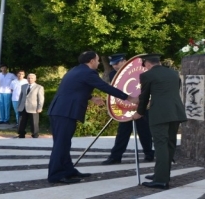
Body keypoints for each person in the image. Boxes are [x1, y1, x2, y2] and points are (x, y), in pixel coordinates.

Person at [47, 51, 139, 184]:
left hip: (59, 110)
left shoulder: (76, 70)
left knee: (63, 143)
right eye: (97, 60)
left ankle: (68, 171)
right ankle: (55, 175)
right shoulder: (88, 73)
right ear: (91, 61)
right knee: (61, 144)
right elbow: (105, 87)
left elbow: (73, 88)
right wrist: (129, 98)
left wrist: (91, 97)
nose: (99, 62)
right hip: (65, 112)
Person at [131, 54, 187, 190]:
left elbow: (144, 97)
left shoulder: (147, 76)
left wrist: (139, 112)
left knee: (161, 144)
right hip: (176, 112)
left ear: (148, 64)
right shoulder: (174, 73)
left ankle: (161, 180)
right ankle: (161, 174)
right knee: (170, 144)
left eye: (145, 66)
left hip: (160, 114)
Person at [101, 53, 154, 165]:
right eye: (113, 64)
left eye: (117, 63)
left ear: (124, 61)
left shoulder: (140, 70)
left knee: (144, 132)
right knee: (122, 133)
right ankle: (115, 157)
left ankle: (149, 154)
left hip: (141, 106)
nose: (115, 66)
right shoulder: (113, 75)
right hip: (125, 107)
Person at [17, 73, 44, 138]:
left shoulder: (39, 87)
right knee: (21, 121)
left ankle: (35, 134)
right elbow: (21, 96)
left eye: (32, 78)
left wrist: (40, 107)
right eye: (28, 78)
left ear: (35, 79)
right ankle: (21, 134)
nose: (30, 79)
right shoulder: (23, 86)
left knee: (34, 122)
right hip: (23, 107)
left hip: (33, 107)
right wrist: (19, 105)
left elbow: (41, 99)